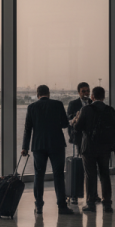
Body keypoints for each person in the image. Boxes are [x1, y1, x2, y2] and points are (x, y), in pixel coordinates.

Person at [21, 85, 76, 216]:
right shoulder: (58, 104)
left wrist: (25, 147)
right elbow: (64, 124)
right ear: (49, 93)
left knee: (39, 175)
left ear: (37, 94)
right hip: (56, 144)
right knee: (58, 175)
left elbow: (28, 129)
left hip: (38, 146)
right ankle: (62, 206)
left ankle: (39, 205)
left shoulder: (32, 107)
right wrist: (71, 121)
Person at [77, 86, 115, 213]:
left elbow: (78, 128)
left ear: (92, 97)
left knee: (90, 175)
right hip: (105, 148)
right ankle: (107, 204)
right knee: (105, 174)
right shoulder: (110, 110)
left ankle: (91, 203)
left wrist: (75, 120)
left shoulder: (86, 109)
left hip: (89, 147)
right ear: (104, 97)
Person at [66, 82, 91, 149]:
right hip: (79, 135)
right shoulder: (73, 104)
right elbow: (68, 118)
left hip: (91, 136)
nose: (86, 93)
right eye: (83, 91)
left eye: (88, 91)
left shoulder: (92, 103)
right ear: (79, 92)